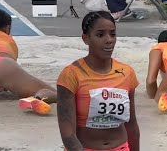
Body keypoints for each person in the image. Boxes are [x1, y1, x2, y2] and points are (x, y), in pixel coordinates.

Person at [57, 11, 140, 151]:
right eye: (100, 35)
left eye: (113, 34)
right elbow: (68, 134)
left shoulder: (126, 73)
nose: (109, 40)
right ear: (85, 38)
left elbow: (131, 124)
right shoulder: (71, 75)